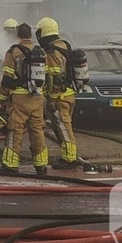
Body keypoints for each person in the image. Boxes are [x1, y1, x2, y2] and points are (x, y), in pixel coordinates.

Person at [0, 23, 49, 176]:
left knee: (15, 130)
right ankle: (41, 165)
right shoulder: (41, 52)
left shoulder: (13, 52)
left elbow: (7, 78)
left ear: (18, 35)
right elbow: (47, 77)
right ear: (31, 35)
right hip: (37, 98)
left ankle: (10, 165)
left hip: (19, 98)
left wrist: (1, 98)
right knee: (37, 130)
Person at [37, 16, 78, 169]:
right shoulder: (65, 45)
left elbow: (54, 77)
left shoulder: (51, 51)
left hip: (59, 96)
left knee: (63, 127)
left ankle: (69, 158)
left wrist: (52, 100)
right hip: (69, 93)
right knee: (65, 126)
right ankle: (67, 154)